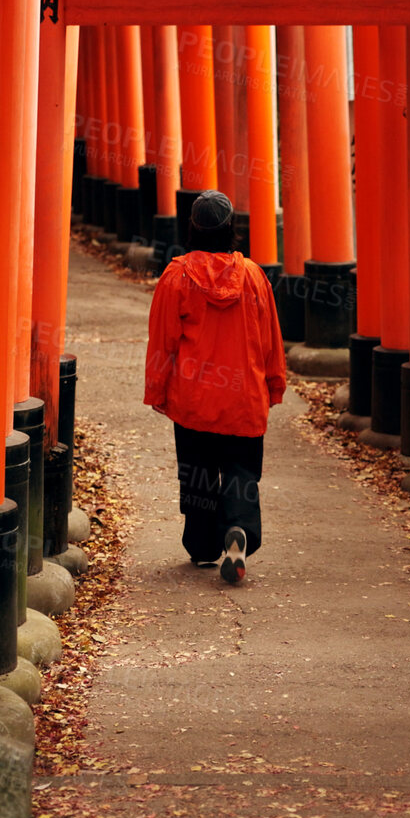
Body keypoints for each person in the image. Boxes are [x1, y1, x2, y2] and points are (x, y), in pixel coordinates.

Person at [143, 190, 287, 584]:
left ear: (192, 228)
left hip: (194, 398)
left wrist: (157, 390)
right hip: (243, 396)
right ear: (230, 230)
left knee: (198, 472)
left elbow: (162, 341)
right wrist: (273, 384)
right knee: (241, 471)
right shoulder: (255, 277)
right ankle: (237, 530)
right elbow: (270, 339)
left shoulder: (177, 276)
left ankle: (203, 546)